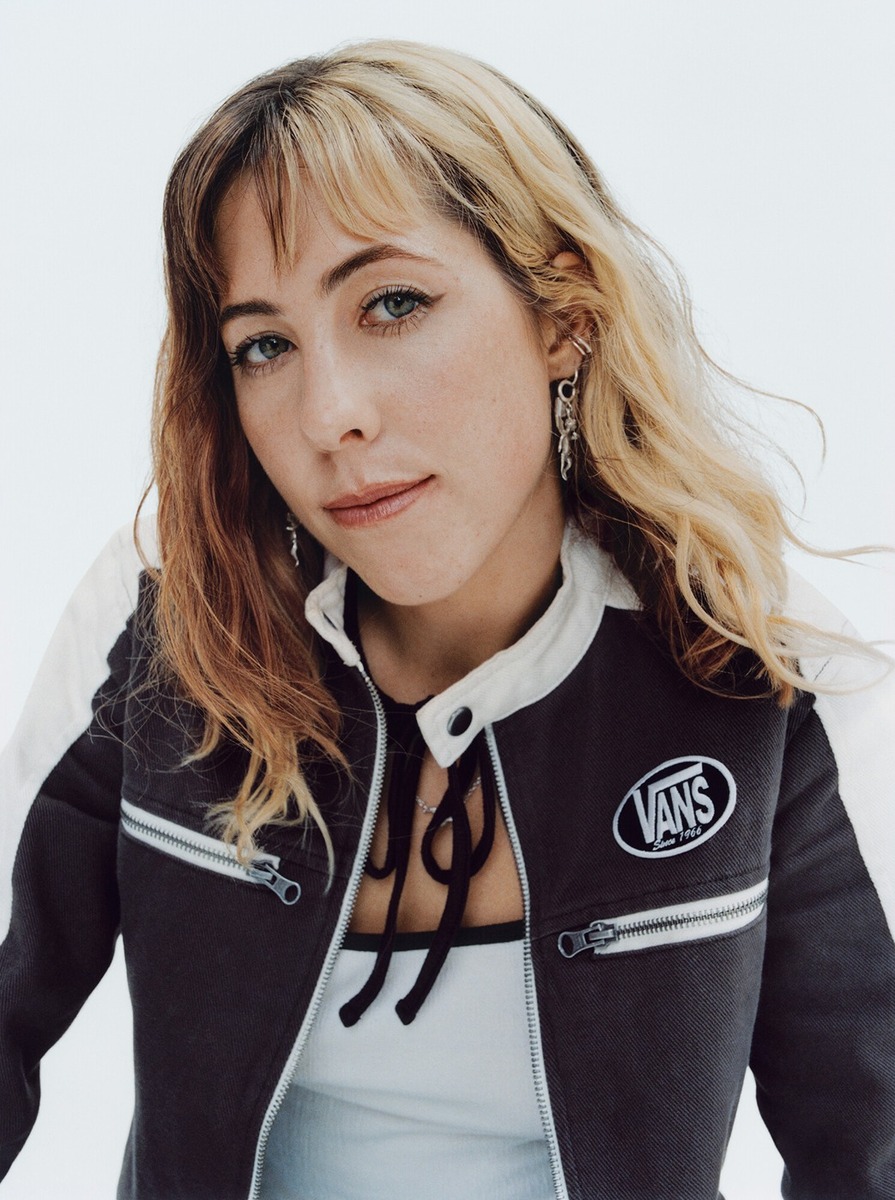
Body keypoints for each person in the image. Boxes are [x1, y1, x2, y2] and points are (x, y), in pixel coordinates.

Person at [1, 38, 892, 1200]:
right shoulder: (169, 613)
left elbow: (871, 1146)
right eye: (263, 345)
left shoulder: (762, 668)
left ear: (564, 314)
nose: (328, 415)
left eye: (392, 304)